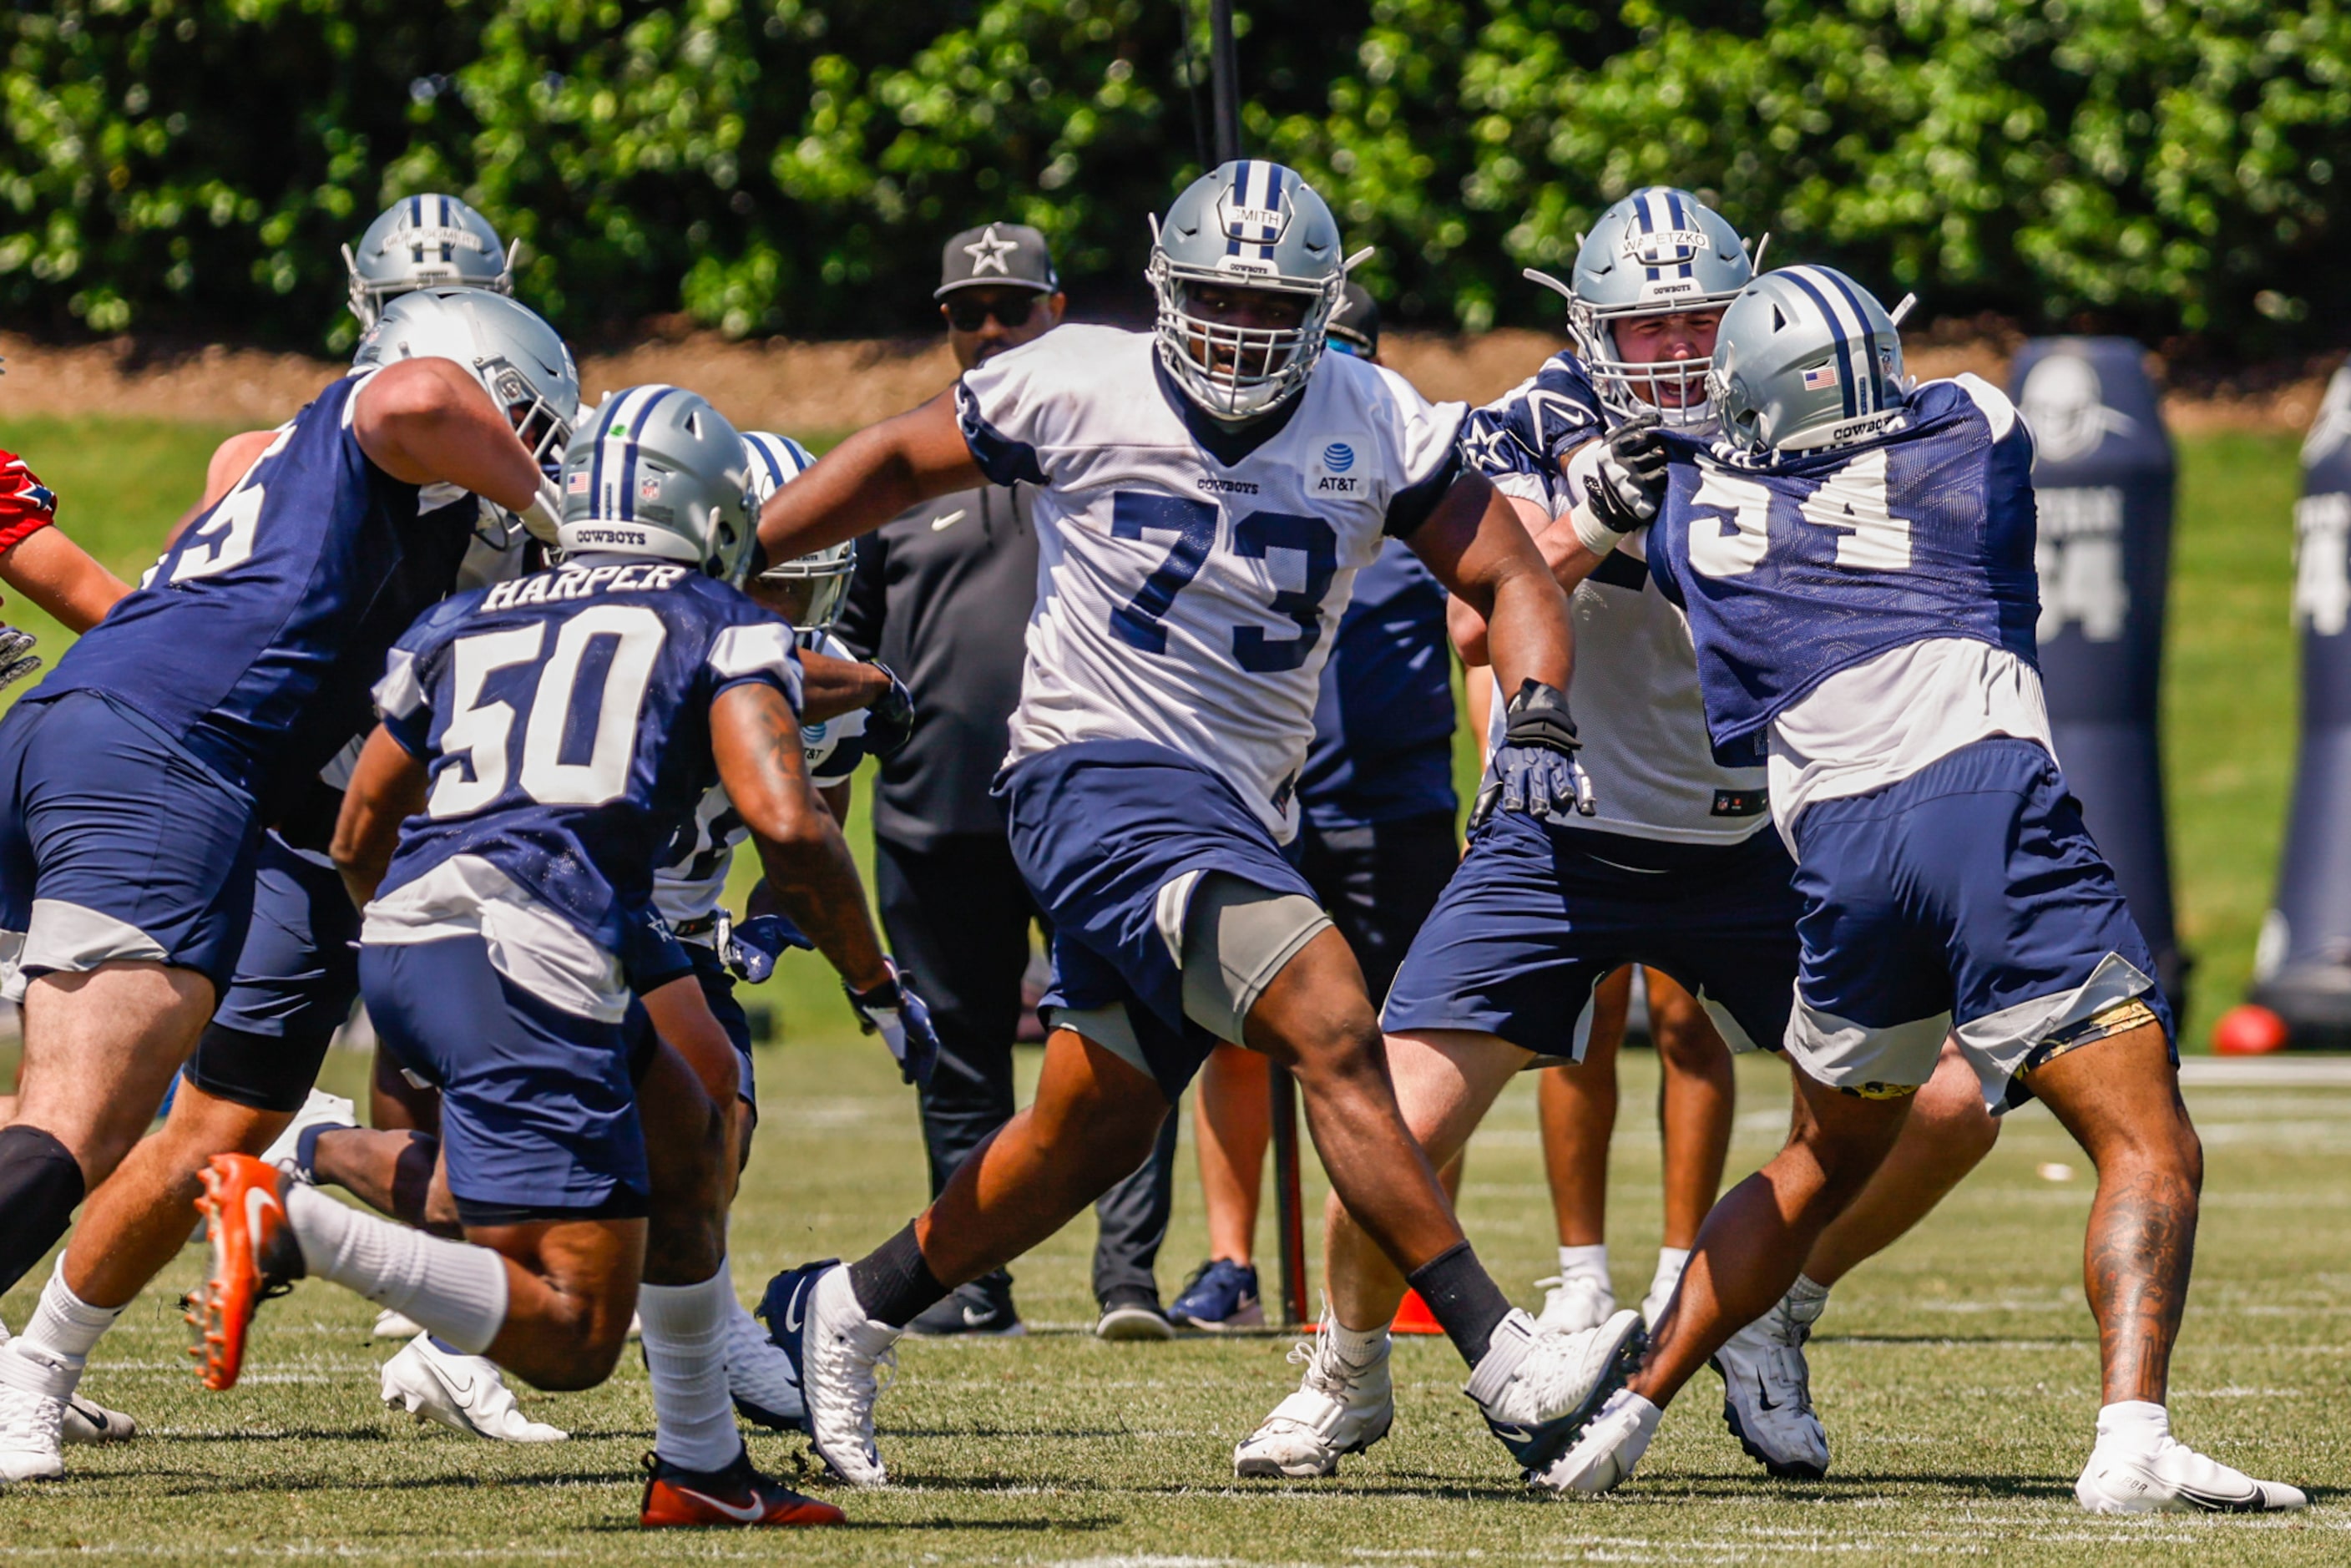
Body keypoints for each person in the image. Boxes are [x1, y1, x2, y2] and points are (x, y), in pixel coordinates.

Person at [751, 159, 1629, 1490]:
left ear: (1324, 307)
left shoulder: (1373, 414)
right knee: (1332, 1013)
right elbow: (883, 463)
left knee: (1083, 1137)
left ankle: (846, 1308)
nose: (1237, 328)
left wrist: (1544, 704)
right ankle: (1506, 1361)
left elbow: (1508, 570)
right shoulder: (1075, 377)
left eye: (1269, 305)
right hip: (1089, 770)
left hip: (1231, 804)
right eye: (1214, 296)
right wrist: (720, 572)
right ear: (1165, 285)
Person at [1538, 266, 2305, 1515]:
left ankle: (1629, 1407)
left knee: (1818, 1158)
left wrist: (1640, 465)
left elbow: (1622, 519)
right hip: (1984, 806)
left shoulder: (1695, 511)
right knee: (2145, 1137)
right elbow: (1931, 402)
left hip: (1837, 854)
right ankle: (2131, 1437)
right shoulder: (1975, 427)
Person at [193, 384, 938, 1530]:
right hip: (524, 941)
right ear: (708, 510)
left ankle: (702, 1465)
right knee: (577, 1330)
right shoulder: (718, 617)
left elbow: (362, 825)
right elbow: (790, 827)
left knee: (690, 1143)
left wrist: (417, 925)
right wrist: (876, 983)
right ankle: (298, 1213)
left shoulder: (475, 615)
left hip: (428, 926)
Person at [1233, 187, 1806, 1480]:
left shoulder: (1796, 412)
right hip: (1567, 831)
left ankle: (1768, 1309)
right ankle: (1348, 1370)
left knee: (1926, 1098)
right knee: (1391, 1114)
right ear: (1586, 329)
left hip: (1760, 836)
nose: (1670, 358)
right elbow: (1470, 624)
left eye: (1696, 327)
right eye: (1641, 331)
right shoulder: (1530, 423)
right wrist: (1583, 524)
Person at [0, 286, 577, 1484]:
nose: (532, 461)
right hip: (174, 761)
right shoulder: (380, 416)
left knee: (129, 1114)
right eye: (527, 430)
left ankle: (31, 1368)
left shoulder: (304, 480)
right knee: (77, 1127)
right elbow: (417, 394)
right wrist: (552, 510)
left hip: (115, 739)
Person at [832, 221, 1186, 1342]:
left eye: (1013, 308)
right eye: (967, 313)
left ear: (1057, 311)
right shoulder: (897, 471)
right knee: (958, 1050)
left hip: (1092, 804)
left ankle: (1128, 1281)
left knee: (1126, 1039)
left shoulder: (1110, 449)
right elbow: (841, 645)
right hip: (936, 808)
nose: (991, 329)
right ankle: (971, 1280)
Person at [1171, 280, 1462, 1333]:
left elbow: (1484, 617)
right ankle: (1229, 1263)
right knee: (1237, 1038)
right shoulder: (1234, 482)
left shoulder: (1416, 480)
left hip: (1394, 805)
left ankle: (1416, 1261)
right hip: (1260, 802)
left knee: (1417, 1038)